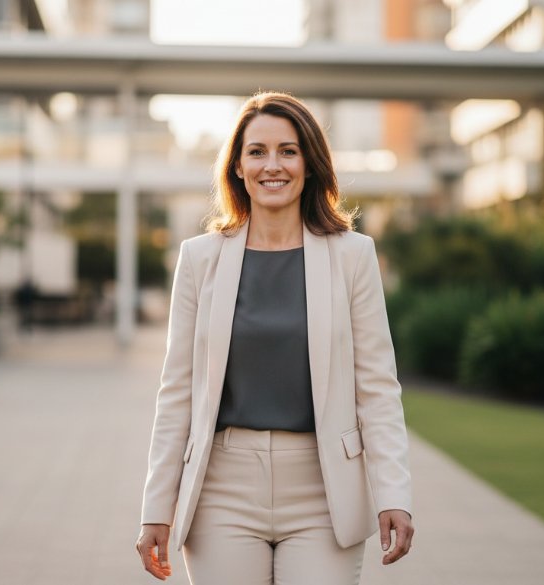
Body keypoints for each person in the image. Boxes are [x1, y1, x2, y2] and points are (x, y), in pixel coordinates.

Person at [135, 91, 414, 585]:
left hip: (324, 491)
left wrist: (394, 495)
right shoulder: (201, 259)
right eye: (257, 152)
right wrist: (157, 507)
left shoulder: (353, 256)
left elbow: (377, 387)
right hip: (222, 491)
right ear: (237, 167)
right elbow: (176, 391)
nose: (273, 165)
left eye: (288, 150)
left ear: (310, 163)